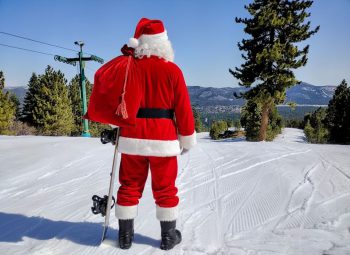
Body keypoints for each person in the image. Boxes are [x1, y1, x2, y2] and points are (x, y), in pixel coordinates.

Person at [112, 18, 196, 250]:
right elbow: (183, 109)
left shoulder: (129, 67)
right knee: (166, 188)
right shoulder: (172, 70)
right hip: (163, 139)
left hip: (132, 137)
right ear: (163, 44)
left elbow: (117, 101)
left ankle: (124, 237)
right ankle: (168, 237)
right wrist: (186, 136)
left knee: (128, 185)